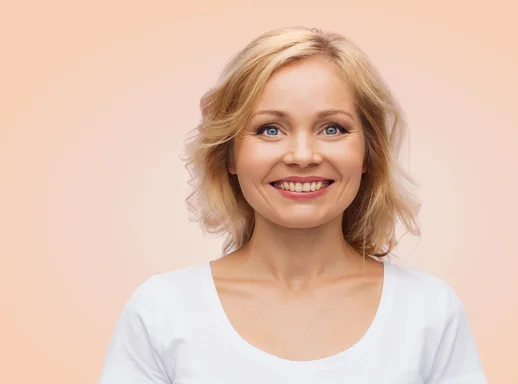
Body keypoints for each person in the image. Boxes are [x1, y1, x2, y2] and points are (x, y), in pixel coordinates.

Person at [98, 26, 488, 383]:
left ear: (368, 153)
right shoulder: (161, 311)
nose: (303, 155)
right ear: (230, 155)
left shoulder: (430, 311)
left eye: (332, 128)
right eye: (270, 129)